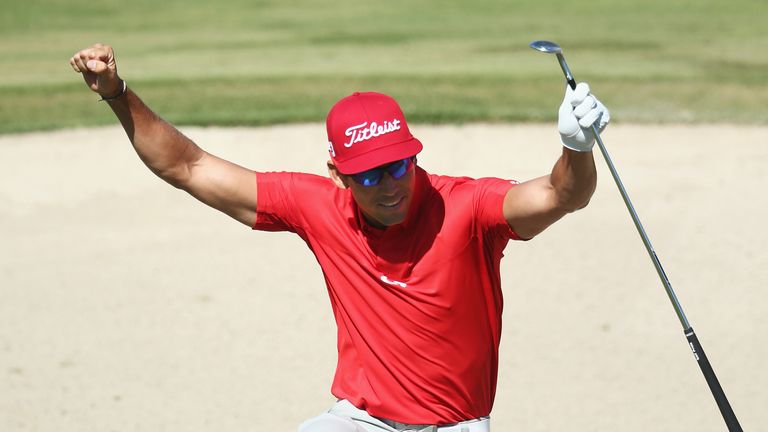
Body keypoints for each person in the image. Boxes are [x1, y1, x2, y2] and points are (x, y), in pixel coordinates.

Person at [69, 43, 610, 432]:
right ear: (338, 175)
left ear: (414, 154)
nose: (390, 185)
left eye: (399, 165)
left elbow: (562, 195)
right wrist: (117, 94)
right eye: (369, 175)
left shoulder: (466, 207)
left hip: (455, 426)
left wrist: (576, 147)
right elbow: (187, 166)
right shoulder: (316, 205)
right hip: (358, 420)